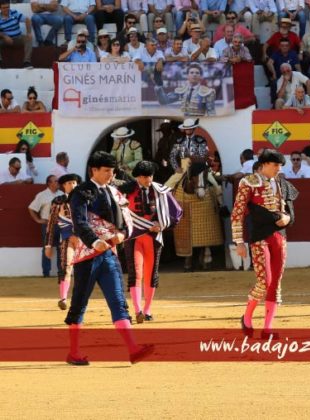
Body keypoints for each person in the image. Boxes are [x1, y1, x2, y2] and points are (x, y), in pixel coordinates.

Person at [65, 151, 153, 365]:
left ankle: (133, 349)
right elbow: (80, 223)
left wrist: (123, 234)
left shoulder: (114, 192)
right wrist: (95, 242)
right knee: (79, 303)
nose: (110, 176)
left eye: (112, 172)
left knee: (118, 302)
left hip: (109, 256)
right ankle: (74, 352)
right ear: (93, 170)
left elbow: (125, 222)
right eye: (106, 171)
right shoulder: (81, 193)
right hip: (87, 256)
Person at [232, 149, 291, 338]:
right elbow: (237, 213)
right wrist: (239, 242)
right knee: (265, 281)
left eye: (280, 166)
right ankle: (247, 317)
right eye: (275, 165)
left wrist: (288, 218)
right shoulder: (248, 182)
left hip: (279, 237)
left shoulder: (281, 182)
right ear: (264, 165)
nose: (278, 169)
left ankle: (268, 328)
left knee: (276, 283)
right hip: (259, 237)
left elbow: (290, 209)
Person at [118, 161, 182, 323]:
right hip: (133, 238)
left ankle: (147, 310)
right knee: (136, 273)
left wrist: (163, 225)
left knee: (151, 274)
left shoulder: (161, 191)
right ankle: (138, 310)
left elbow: (177, 213)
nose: (148, 179)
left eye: (150, 176)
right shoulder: (126, 191)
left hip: (154, 238)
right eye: (145, 177)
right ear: (138, 177)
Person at [45, 173, 82, 310]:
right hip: (67, 239)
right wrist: (48, 245)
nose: (71, 185)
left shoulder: (84, 199)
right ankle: (63, 298)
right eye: (68, 183)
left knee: (84, 270)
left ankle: (80, 298)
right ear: (63, 186)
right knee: (66, 266)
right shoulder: (58, 201)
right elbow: (51, 224)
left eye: (73, 182)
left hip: (84, 239)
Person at [29, 175, 63, 278]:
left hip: (61, 224)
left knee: (61, 248)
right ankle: (46, 273)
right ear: (49, 183)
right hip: (48, 224)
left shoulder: (62, 194)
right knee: (47, 248)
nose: (58, 183)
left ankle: (61, 272)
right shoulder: (42, 195)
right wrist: (38, 220)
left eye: (57, 181)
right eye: (55, 181)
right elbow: (31, 208)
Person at [167, 118, 209, 184]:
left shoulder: (200, 140)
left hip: (200, 167)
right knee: (168, 185)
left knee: (214, 183)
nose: (188, 130)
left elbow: (203, 155)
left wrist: (194, 159)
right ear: (184, 129)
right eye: (186, 128)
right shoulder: (179, 141)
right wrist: (176, 168)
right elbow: (172, 156)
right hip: (184, 168)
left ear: (193, 128)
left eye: (190, 128)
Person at [0, 0, 33, 68]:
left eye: (7, 7)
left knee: (29, 39)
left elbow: (27, 20)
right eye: (4, 8)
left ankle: (27, 62)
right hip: (5, 40)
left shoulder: (14, 12)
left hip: (18, 38)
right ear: (0, 8)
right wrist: (4, 36)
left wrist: (29, 32)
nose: (6, 9)